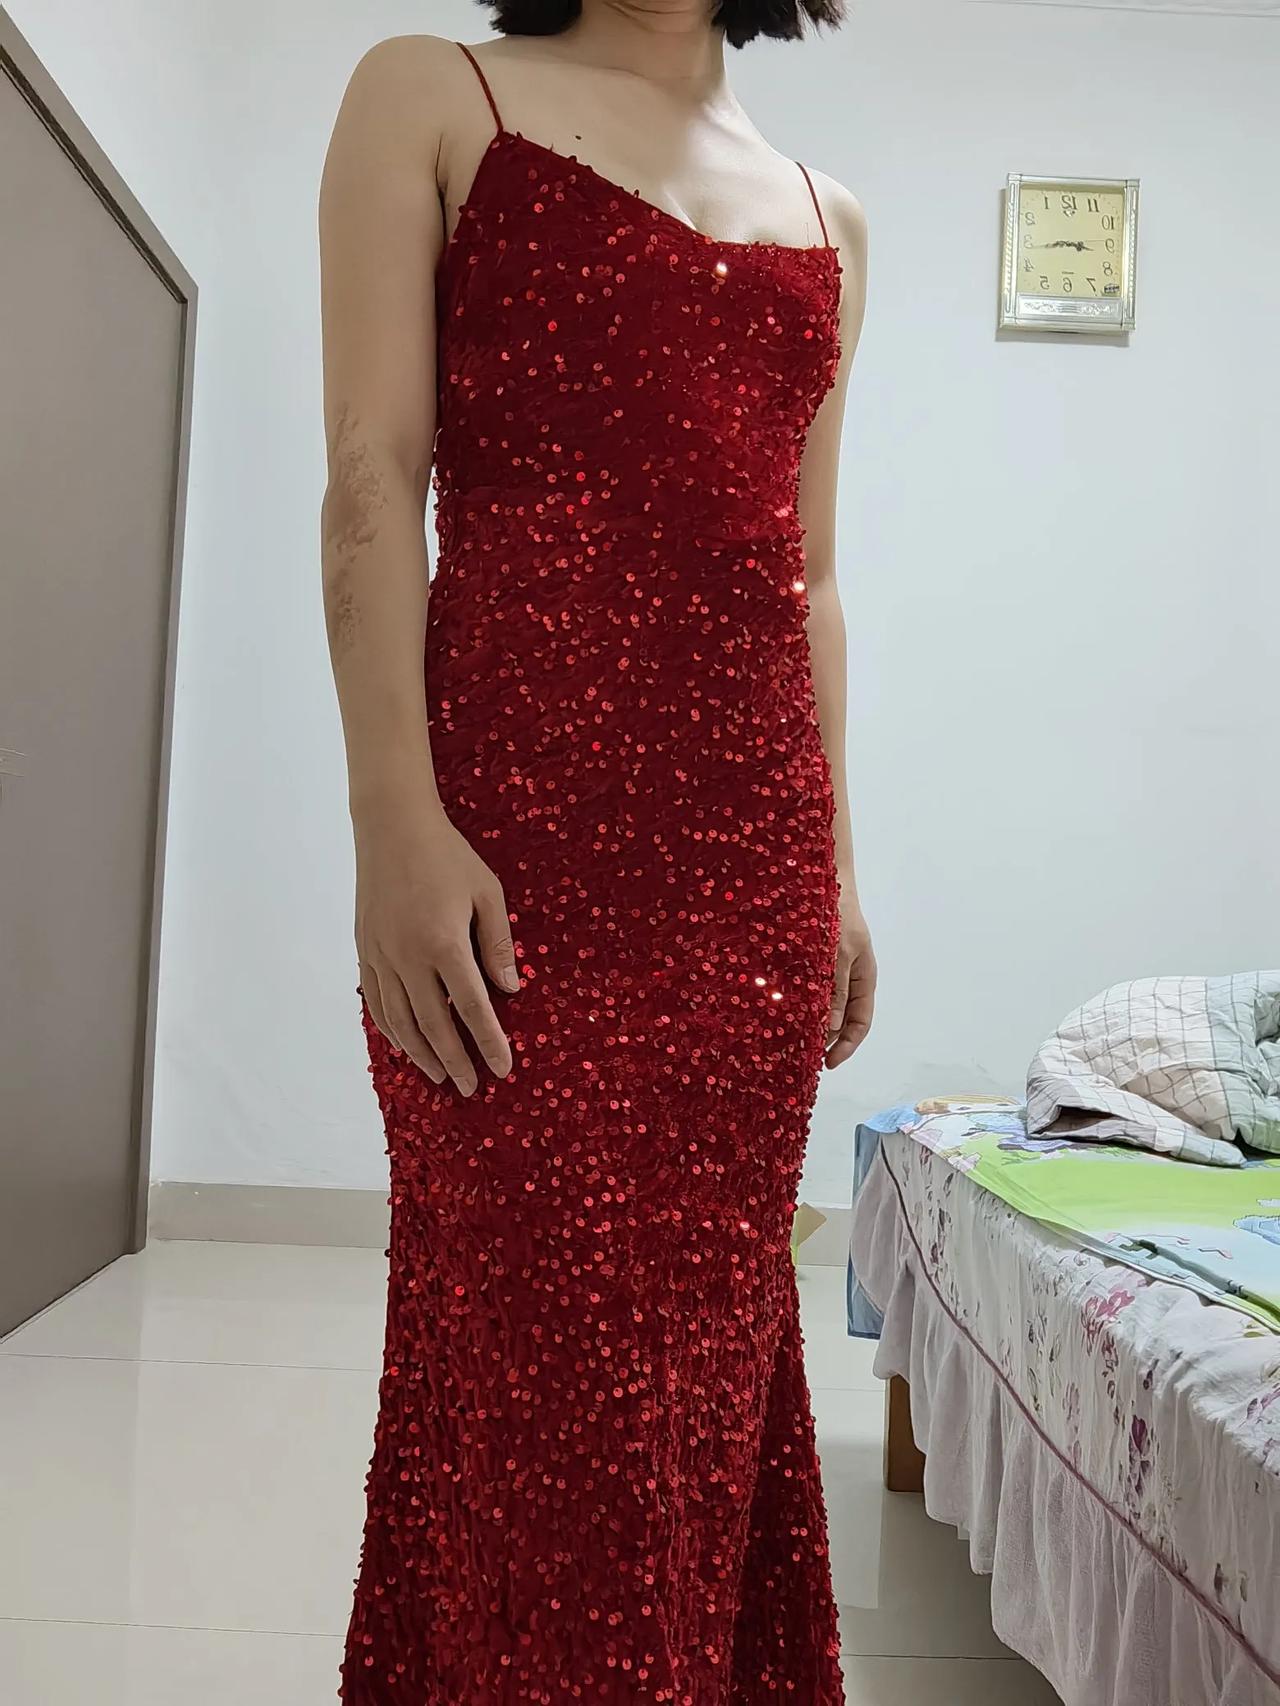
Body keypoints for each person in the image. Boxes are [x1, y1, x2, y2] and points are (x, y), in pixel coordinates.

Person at [318, 3, 874, 1699]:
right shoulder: (433, 96)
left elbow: (810, 577)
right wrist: (392, 820)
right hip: (506, 879)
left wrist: (843, 878)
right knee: (530, 1387)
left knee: (697, 1388)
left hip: (751, 893)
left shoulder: (832, 219)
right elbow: (370, 472)